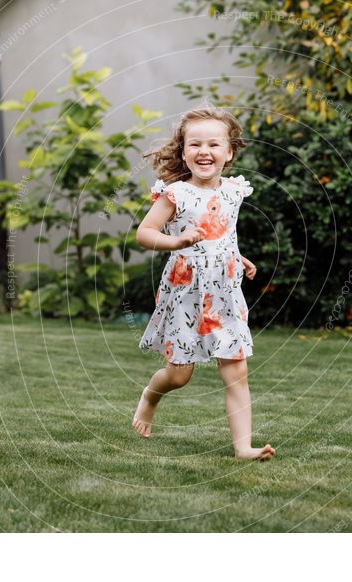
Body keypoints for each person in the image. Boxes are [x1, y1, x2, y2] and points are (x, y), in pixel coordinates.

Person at [132, 104, 275, 461]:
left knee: (236, 369)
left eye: (213, 144)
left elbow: (224, 233)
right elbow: (145, 233)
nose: (204, 152)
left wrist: (237, 256)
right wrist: (176, 242)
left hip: (225, 292)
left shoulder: (234, 191)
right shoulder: (176, 194)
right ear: (183, 151)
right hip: (185, 292)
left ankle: (243, 447)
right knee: (180, 376)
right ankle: (151, 396)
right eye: (195, 144)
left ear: (229, 152)